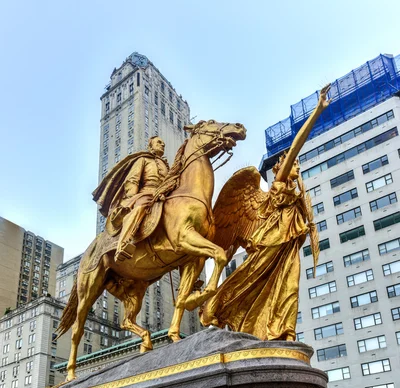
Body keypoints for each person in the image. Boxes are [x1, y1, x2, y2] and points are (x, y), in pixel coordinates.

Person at [201, 85, 331, 340]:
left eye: (296, 163)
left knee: (289, 288)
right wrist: (317, 110)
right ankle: (215, 305)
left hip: (288, 247)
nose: (296, 164)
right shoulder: (279, 183)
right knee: (246, 280)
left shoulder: (296, 192)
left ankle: (286, 333)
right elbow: (296, 145)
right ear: (280, 168)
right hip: (270, 243)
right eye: (292, 162)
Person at [109, 136, 169, 261]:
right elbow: (133, 179)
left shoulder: (166, 166)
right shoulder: (143, 159)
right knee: (139, 208)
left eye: (163, 143)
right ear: (150, 145)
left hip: (164, 196)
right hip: (146, 194)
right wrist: (131, 199)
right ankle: (123, 244)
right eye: (159, 142)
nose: (162, 144)